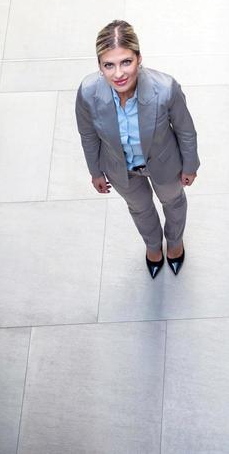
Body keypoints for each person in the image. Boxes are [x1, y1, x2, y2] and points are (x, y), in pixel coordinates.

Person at [76, 20, 199, 279]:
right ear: (99, 65)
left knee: (173, 203)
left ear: (139, 58)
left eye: (126, 62)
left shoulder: (165, 88)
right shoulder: (88, 93)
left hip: (165, 164)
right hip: (121, 169)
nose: (118, 73)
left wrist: (190, 165)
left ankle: (175, 242)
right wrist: (95, 172)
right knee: (140, 208)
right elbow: (88, 135)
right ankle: (153, 246)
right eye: (109, 65)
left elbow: (185, 129)